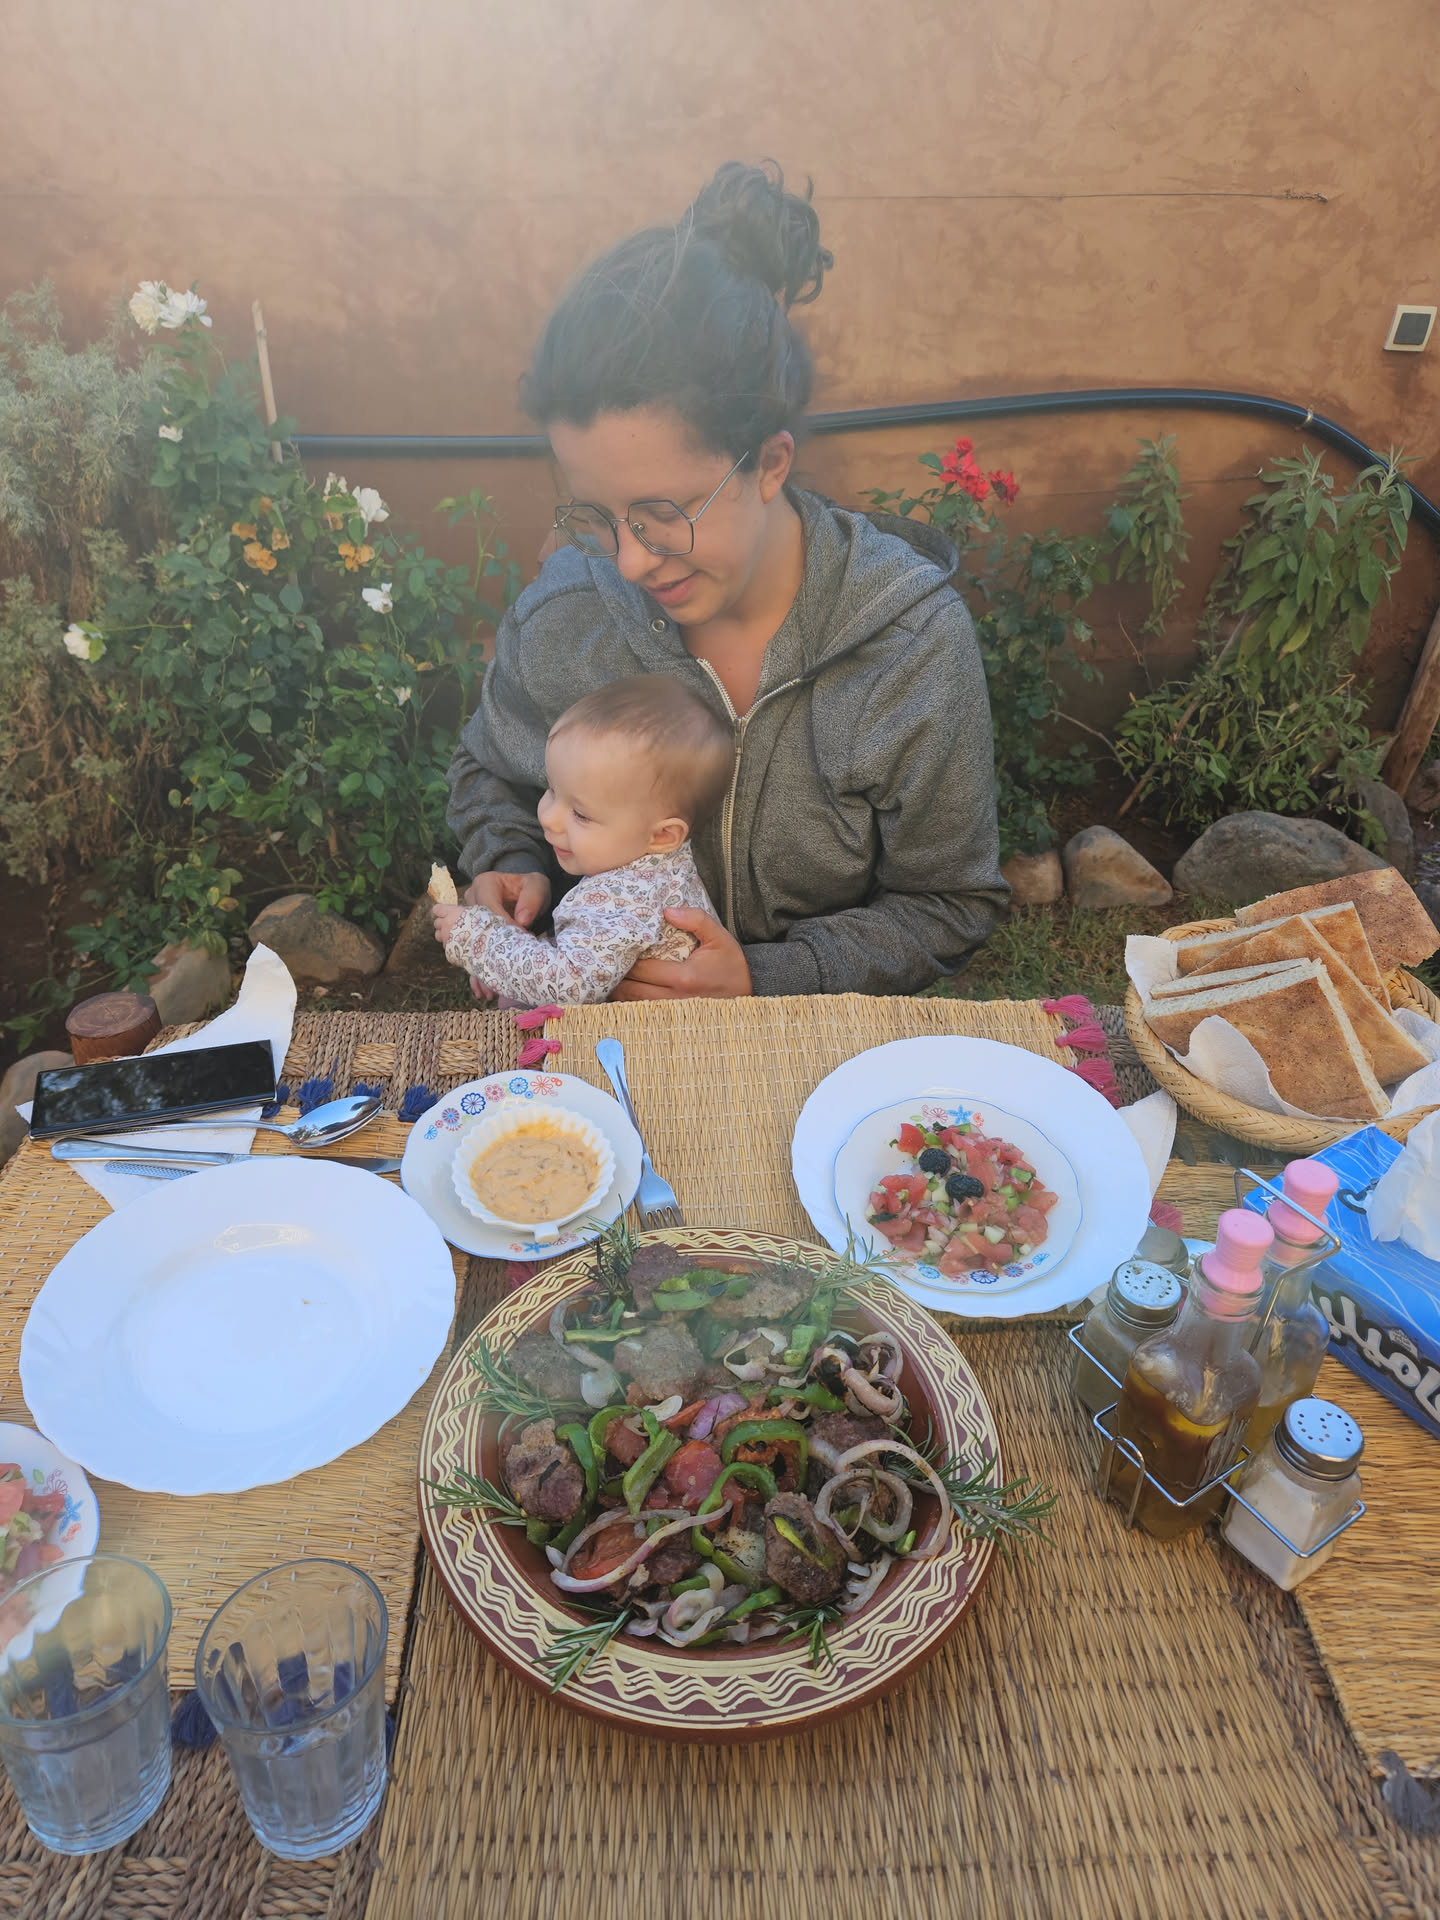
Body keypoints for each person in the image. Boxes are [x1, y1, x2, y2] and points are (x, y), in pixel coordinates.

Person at [446, 160, 1007, 1001]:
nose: (629, 562)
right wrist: (508, 857)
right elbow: (489, 769)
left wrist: (764, 978)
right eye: (596, 515)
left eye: (663, 512)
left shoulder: (910, 643)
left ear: (770, 463)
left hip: (822, 1053)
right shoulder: (567, 616)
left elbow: (948, 904)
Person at [431, 676, 731, 1005]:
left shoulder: (627, 901)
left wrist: (480, 941)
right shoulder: (654, 867)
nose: (548, 817)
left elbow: (570, 985)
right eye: (552, 789)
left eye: (581, 814)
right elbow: (585, 948)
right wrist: (502, 959)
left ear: (662, 835)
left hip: (643, 1035)